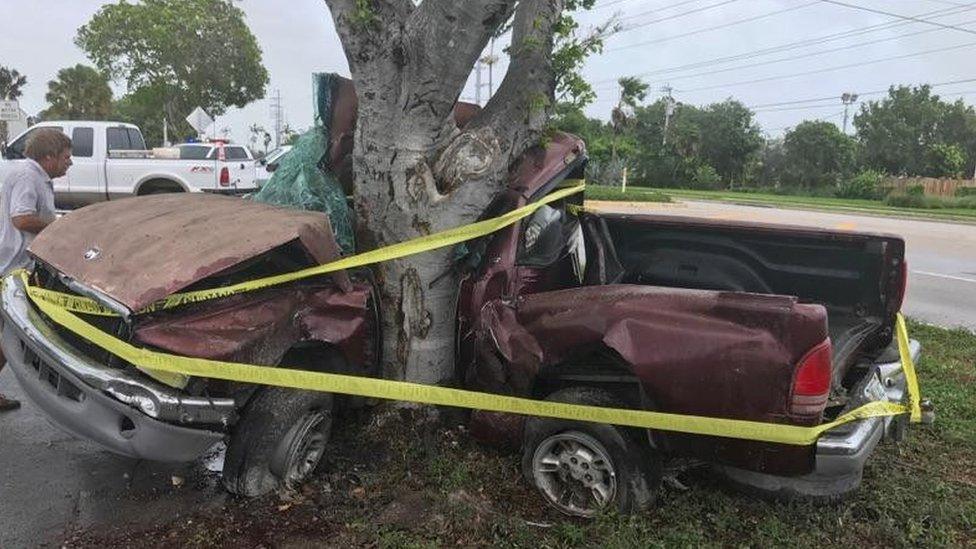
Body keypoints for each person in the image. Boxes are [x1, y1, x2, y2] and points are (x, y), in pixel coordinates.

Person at [0, 128, 71, 411]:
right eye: (66, 157)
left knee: (8, 336)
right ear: (49, 157)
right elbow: (21, 218)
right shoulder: (29, 176)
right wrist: (57, 228)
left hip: (13, 264)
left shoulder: (30, 174)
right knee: (12, 334)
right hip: (9, 267)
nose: (70, 162)